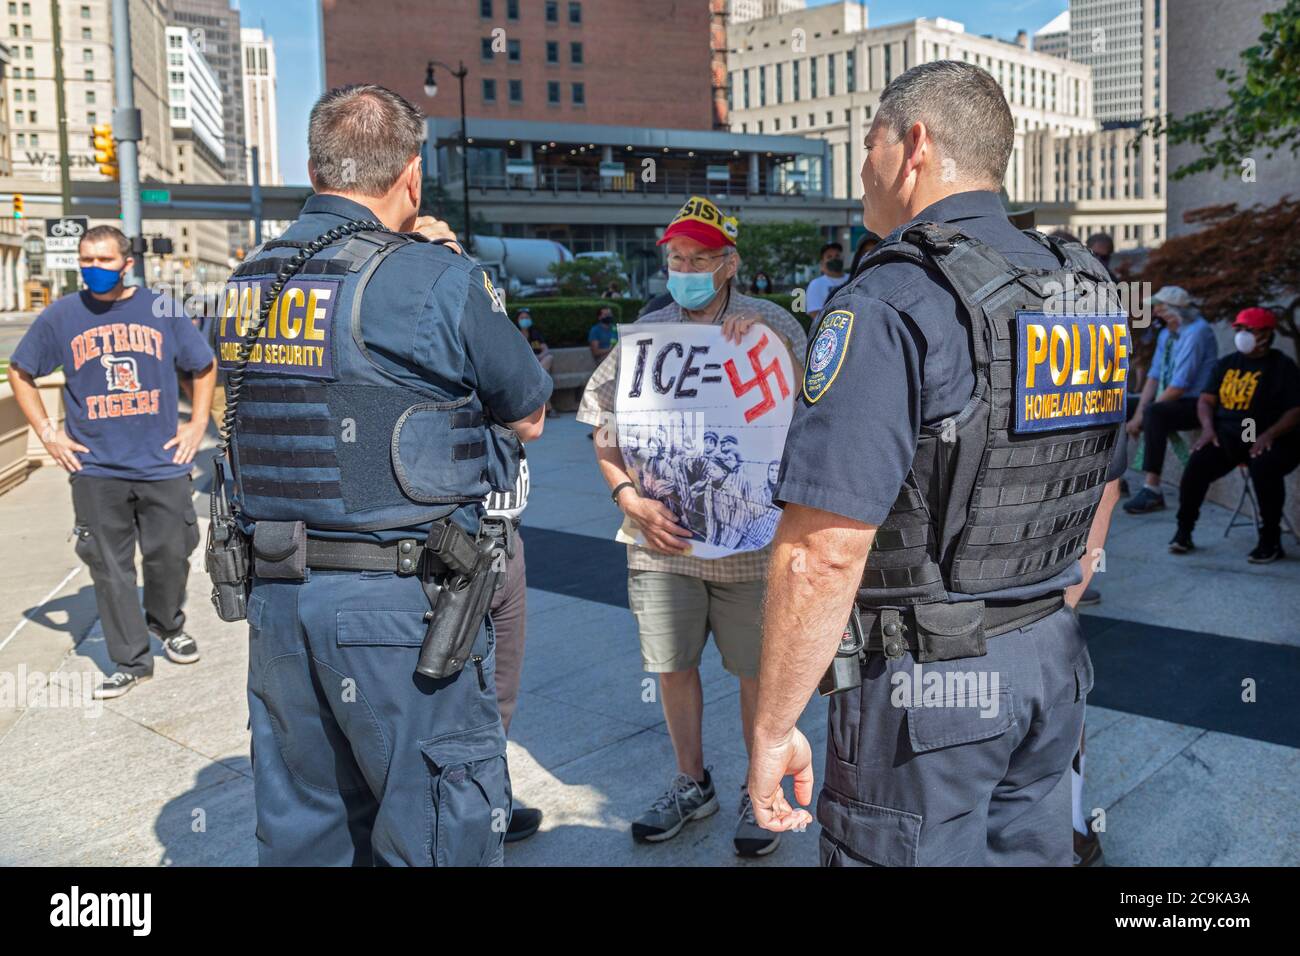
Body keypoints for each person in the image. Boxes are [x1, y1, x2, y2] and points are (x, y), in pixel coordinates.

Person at [748, 60, 1127, 866]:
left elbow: (822, 552)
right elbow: (1104, 470)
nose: (863, 171)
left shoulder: (889, 300)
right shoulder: (1081, 287)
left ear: (912, 145)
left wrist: (772, 728)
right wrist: (1060, 580)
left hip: (929, 691)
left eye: (868, 146)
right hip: (1052, 663)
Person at [222, 84, 551, 866]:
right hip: (398, 609)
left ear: (313, 168)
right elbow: (530, 411)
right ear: (413, 176)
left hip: (278, 599)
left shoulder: (249, 277)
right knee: (440, 828)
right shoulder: (432, 276)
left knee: (308, 829)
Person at [576, 195, 806, 856]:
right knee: (671, 666)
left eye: (699, 258)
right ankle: (691, 780)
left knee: (757, 671)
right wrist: (629, 499)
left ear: (729, 262)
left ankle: (757, 790)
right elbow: (605, 432)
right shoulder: (649, 338)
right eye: (676, 257)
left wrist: (764, 354)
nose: (685, 268)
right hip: (661, 543)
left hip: (751, 547)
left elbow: (814, 407)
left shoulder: (770, 327)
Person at [9, 225, 215, 700]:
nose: (93, 270)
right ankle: (131, 659)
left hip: (162, 462)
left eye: (103, 261)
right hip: (96, 467)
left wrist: (196, 424)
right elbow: (21, 372)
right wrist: (47, 432)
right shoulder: (61, 316)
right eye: (86, 261)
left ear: (126, 264)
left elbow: (202, 366)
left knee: (169, 555)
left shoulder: (161, 307)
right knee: (109, 567)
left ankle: (167, 624)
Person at [1171, 307, 1300, 562]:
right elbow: (1206, 401)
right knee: (1197, 462)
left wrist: (1269, 434)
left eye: (1248, 330)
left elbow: (1296, 410)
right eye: (1238, 329)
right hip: (1228, 435)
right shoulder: (1227, 363)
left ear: (1265, 334)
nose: (1242, 335)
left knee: (1264, 468)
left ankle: (1271, 541)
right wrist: (1208, 429)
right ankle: (1183, 531)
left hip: (1270, 437)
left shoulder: (1282, 366)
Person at [1124, 286, 1220, 514]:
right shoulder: (1168, 333)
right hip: (1169, 397)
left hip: (1196, 403)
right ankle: (1116, 477)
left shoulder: (1197, 332)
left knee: (1155, 414)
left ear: (1177, 310)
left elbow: (1179, 386)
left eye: (1160, 308)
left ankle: (1152, 490)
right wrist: (1137, 415)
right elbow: (1155, 375)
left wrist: (1144, 415)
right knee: (1123, 405)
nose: (1155, 313)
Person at [517, 308, 556, 417]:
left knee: (549, 357)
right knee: (541, 379)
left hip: (537, 363)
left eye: (527, 318)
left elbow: (546, 349)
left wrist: (538, 356)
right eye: (522, 318)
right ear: (517, 320)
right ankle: (549, 407)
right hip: (525, 365)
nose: (525, 320)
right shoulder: (515, 334)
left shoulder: (535, 333)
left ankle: (537, 373)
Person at [805, 241, 848, 322]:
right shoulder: (816, 284)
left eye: (837, 256)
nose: (834, 259)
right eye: (829, 257)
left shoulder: (854, 278)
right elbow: (815, 313)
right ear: (822, 263)